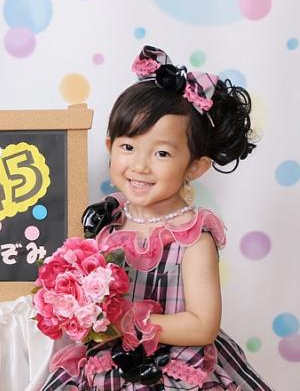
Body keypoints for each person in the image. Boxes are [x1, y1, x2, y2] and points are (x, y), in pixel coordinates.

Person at [39, 46, 273, 390]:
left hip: (172, 367)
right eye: (128, 147)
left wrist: (125, 320)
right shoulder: (107, 220)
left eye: (161, 153)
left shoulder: (192, 238)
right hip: (105, 364)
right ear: (109, 145)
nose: (140, 165)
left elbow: (202, 326)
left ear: (195, 166)